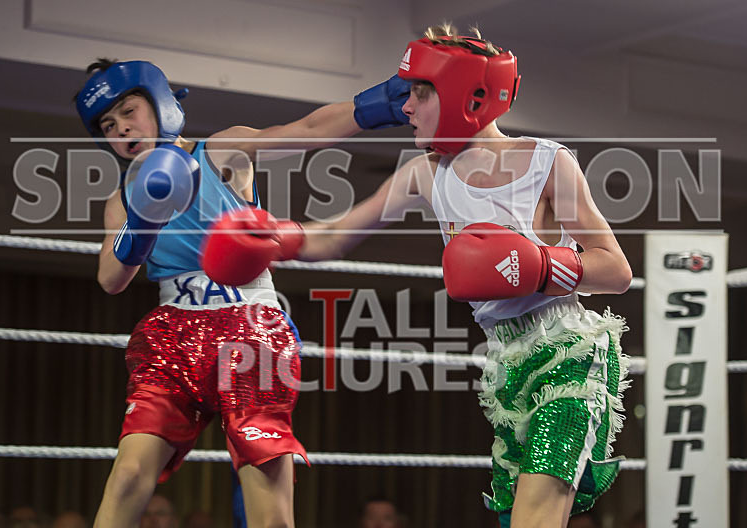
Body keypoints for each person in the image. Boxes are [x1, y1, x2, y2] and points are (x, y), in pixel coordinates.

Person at [202, 24, 632, 528]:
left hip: (569, 353)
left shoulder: (546, 161)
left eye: (421, 93)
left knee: (537, 514)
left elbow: (616, 269)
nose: (406, 107)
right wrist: (274, 238)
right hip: (504, 361)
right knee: (518, 517)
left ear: (467, 96)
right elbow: (339, 234)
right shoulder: (425, 173)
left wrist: (537, 265)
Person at [74, 59, 410, 528]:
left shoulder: (221, 151)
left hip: (249, 328)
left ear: (161, 106)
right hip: (171, 332)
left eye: (129, 111)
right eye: (108, 125)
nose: (121, 128)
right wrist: (143, 220)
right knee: (128, 475)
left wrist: (371, 108)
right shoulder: (121, 200)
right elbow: (111, 278)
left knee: (266, 495)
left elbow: (305, 130)